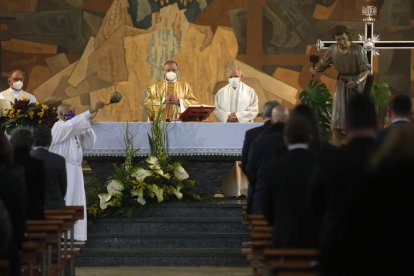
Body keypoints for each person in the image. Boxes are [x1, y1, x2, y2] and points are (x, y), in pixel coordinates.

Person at [309, 94, 378, 275]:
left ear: (346, 125)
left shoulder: (331, 161)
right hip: (386, 256)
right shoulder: (393, 161)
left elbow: (314, 205)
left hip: (338, 254)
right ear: (377, 124)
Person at [49, 101, 105, 241]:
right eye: (69, 113)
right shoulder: (58, 127)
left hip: (76, 171)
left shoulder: (73, 128)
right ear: (61, 114)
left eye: (73, 112)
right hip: (65, 171)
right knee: (67, 201)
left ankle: (76, 235)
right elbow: (72, 125)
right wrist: (88, 113)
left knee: (77, 202)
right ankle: (63, 236)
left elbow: (89, 143)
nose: (72, 116)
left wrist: (86, 128)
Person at [311, 25, 371, 141]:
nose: (341, 41)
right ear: (335, 39)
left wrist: (357, 81)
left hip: (355, 84)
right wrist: (316, 69)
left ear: (348, 37)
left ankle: (356, 138)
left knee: (355, 113)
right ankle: (338, 140)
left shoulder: (357, 49)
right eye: (338, 39)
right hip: (341, 84)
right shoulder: (332, 50)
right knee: (339, 112)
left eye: (343, 38)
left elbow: (366, 70)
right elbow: (323, 65)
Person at [246, 104, 289, 214]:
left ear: (273, 119)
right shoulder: (293, 138)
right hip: (289, 200)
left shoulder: (259, 141)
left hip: (262, 198)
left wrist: (258, 185)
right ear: (288, 119)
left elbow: (249, 169)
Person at [10, 128, 46, 220]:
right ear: (31, 143)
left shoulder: (8, 163)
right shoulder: (37, 164)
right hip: (34, 211)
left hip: (11, 213)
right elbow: (42, 191)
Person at [31, 125, 67, 210]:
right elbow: (63, 187)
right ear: (50, 141)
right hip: (55, 207)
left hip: (33, 208)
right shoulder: (59, 160)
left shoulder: (26, 159)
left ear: (33, 140)